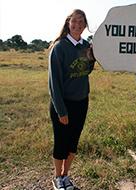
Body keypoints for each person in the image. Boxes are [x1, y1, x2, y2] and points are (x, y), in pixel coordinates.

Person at [48, 9, 95, 190]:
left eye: (82, 23)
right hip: (63, 103)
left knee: (73, 142)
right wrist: (61, 111)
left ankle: (66, 176)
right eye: (75, 21)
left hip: (81, 101)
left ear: (85, 26)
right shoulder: (59, 48)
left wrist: (91, 58)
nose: (78, 25)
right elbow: (54, 84)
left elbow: (85, 71)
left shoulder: (84, 46)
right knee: (61, 141)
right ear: (68, 23)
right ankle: (57, 178)